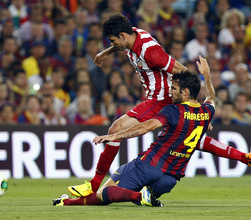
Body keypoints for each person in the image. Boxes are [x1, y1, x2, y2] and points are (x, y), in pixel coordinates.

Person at [67, 14, 251, 198]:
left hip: (161, 99)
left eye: (112, 41)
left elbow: (183, 71)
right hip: (160, 97)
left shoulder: (151, 52)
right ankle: (244, 157)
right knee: (193, 139)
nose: (112, 43)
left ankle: (93, 185)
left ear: (123, 35)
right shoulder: (133, 35)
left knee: (116, 128)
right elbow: (120, 45)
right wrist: (105, 52)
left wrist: (194, 102)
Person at [53, 56, 214, 206]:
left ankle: (140, 197)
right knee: (122, 192)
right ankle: (66, 202)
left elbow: (145, 127)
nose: (170, 92)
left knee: (104, 193)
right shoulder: (207, 112)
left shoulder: (172, 110)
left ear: (185, 92)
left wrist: (115, 135)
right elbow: (211, 97)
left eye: (174, 88)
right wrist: (207, 75)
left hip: (148, 166)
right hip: (170, 177)